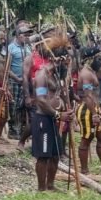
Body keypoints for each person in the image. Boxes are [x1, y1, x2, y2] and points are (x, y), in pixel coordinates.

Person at [31, 33, 74, 191]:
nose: (68, 64)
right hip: (43, 119)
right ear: (58, 59)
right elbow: (41, 100)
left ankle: (51, 185)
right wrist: (58, 114)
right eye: (67, 61)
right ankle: (41, 189)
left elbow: (61, 94)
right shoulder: (42, 75)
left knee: (55, 155)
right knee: (43, 156)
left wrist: (68, 110)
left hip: (54, 119)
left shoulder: (57, 75)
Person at [75, 47, 101, 174]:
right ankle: (84, 170)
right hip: (87, 111)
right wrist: (94, 114)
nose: (100, 62)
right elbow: (87, 96)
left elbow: (93, 95)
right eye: (98, 59)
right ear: (90, 59)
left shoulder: (91, 71)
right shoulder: (86, 74)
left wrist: (100, 103)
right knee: (87, 139)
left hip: (94, 108)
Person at [7, 22, 32, 139]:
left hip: (26, 82)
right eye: (24, 35)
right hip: (14, 81)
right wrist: (17, 78)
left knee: (24, 106)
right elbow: (6, 68)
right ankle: (12, 130)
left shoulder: (28, 48)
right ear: (18, 35)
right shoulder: (11, 48)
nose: (26, 37)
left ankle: (23, 130)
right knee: (14, 106)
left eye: (28, 35)